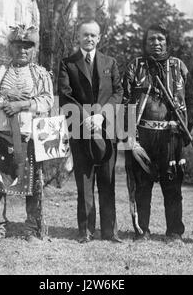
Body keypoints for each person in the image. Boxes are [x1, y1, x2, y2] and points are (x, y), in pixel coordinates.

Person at [122, 23, 193, 243]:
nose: (156, 43)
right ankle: (142, 230)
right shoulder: (136, 66)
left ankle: (174, 232)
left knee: (172, 185)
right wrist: (128, 134)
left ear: (167, 42)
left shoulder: (179, 67)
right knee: (142, 185)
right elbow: (125, 101)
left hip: (171, 136)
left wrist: (185, 128)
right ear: (145, 43)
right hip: (142, 135)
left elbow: (191, 101)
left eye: (160, 39)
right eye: (151, 39)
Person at [0, 24, 54, 243]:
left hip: (29, 136)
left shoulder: (40, 74)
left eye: (28, 46)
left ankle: (32, 228)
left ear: (34, 49)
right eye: (18, 46)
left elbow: (47, 100)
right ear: (10, 47)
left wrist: (22, 104)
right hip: (2, 134)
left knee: (32, 184)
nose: (22, 50)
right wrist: (1, 101)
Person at [58, 20, 123, 243]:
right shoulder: (68, 63)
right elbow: (66, 95)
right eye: (85, 35)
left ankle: (109, 232)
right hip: (81, 130)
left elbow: (118, 93)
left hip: (106, 130)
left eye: (93, 35)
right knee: (84, 182)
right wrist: (87, 118)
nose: (89, 39)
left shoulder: (110, 62)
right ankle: (85, 231)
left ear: (99, 37)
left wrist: (101, 115)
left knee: (107, 181)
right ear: (78, 36)